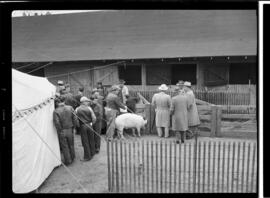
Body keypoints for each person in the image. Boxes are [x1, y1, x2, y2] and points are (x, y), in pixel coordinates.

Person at [53, 96, 78, 165]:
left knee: (64, 146)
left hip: (62, 130)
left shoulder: (56, 111)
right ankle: (73, 158)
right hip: (70, 129)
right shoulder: (70, 108)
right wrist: (74, 127)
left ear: (58, 102)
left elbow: (57, 122)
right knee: (71, 144)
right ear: (64, 101)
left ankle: (68, 161)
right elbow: (75, 118)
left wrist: (60, 130)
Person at [75, 96, 97, 161]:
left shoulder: (77, 109)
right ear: (83, 102)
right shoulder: (89, 108)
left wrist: (78, 126)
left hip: (83, 126)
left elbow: (75, 119)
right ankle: (92, 153)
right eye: (87, 101)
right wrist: (92, 124)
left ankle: (87, 157)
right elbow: (94, 118)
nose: (88, 102)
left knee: (85, 141)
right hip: (90, 125)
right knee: (91, 139)